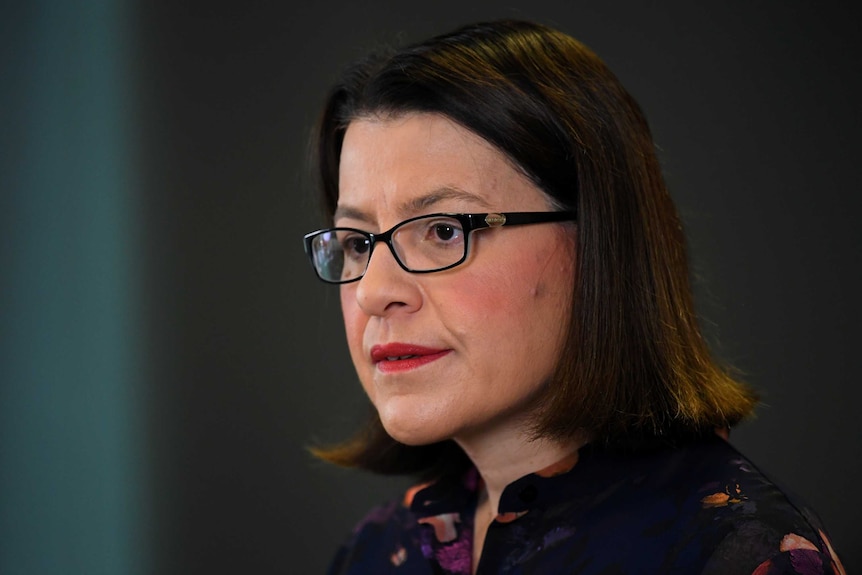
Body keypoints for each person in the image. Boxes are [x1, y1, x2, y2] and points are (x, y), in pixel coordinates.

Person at [301, 19, 846, 574]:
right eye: (356, 243)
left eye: (443, 230)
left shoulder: (730, 551)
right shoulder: (376, 553)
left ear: (599, 244)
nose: (374, 292)